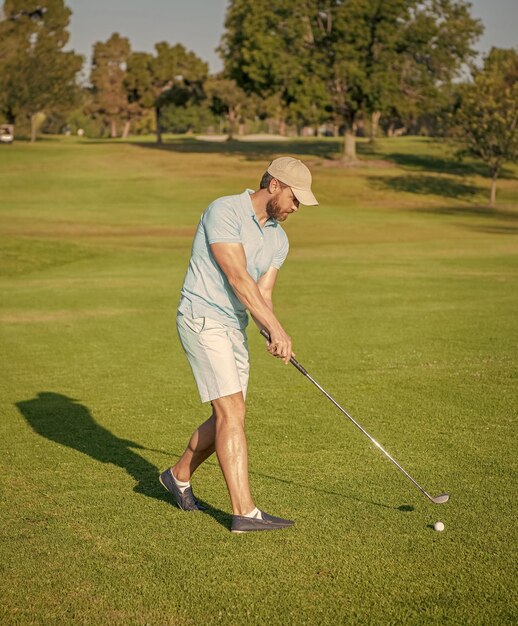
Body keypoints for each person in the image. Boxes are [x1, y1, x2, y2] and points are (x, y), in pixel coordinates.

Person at [159, 157, 318, 533]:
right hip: (202, 318)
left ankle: (178, 475)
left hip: (234, 326)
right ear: (275, 185)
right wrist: (276, 328)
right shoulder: (224, 210)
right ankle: (244, 512)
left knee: (229, 415)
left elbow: (263, 293)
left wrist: (270, 332)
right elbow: (237, 277)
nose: (297, 207)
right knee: (231, 412)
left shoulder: (278, 238)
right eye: (296, 198)